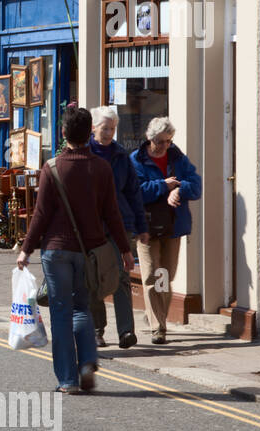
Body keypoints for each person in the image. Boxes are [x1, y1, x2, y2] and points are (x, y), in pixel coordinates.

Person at [16, 107, 133, 394]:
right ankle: (87, 363)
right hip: (89, 251)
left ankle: (68, 380)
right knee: (83, 308)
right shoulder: (102, 168)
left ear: (64, 133)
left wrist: (26, 249)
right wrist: (125, 250)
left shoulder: (52, 167)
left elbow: (41, 215)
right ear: (89, 132)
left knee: (60, 313)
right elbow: (112, 214)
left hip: (55, 251)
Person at [130, 116, 202, 345]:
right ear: (149, 139)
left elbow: (196, 186)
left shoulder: (177, 158)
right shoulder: (136, 160)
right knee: (151, 274)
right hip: (146, 228)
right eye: (160, 142)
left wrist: (179, 189)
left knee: (165, 276)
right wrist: (163, 186)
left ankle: (155, 314)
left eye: (168, 141)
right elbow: (135, 192)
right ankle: (158, 327)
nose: (164, 146)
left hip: (172, 227)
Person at [88, 106, 148, 351]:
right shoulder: (85, 154)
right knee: (94, 279)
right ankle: (96, 331)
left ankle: (126, 331)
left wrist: (142, 226)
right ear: (93, 129)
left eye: (113, 129)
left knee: (122, 276)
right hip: (92, 224)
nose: (110, 133)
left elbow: (133, 193)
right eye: (105, 128)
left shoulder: (121, 156)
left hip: (120, 223)